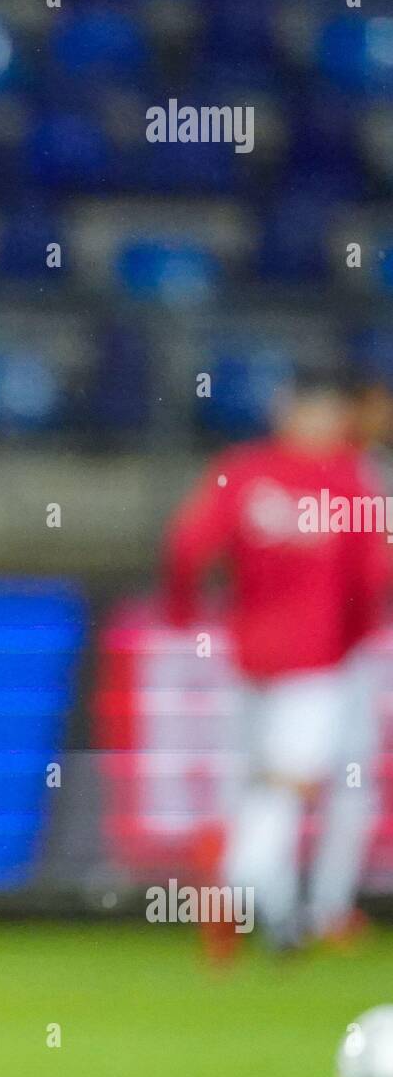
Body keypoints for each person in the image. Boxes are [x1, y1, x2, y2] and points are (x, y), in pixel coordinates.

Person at [162, 373, 390, 952]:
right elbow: (374, 575)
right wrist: (353, 640)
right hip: (319, 660)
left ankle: (281, 915)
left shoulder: (244, 471)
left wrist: (184, 612)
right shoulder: (347, 479)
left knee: (260, 779)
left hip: (249, 654)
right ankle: (242, 887)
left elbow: (188, 544)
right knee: (292, 782)